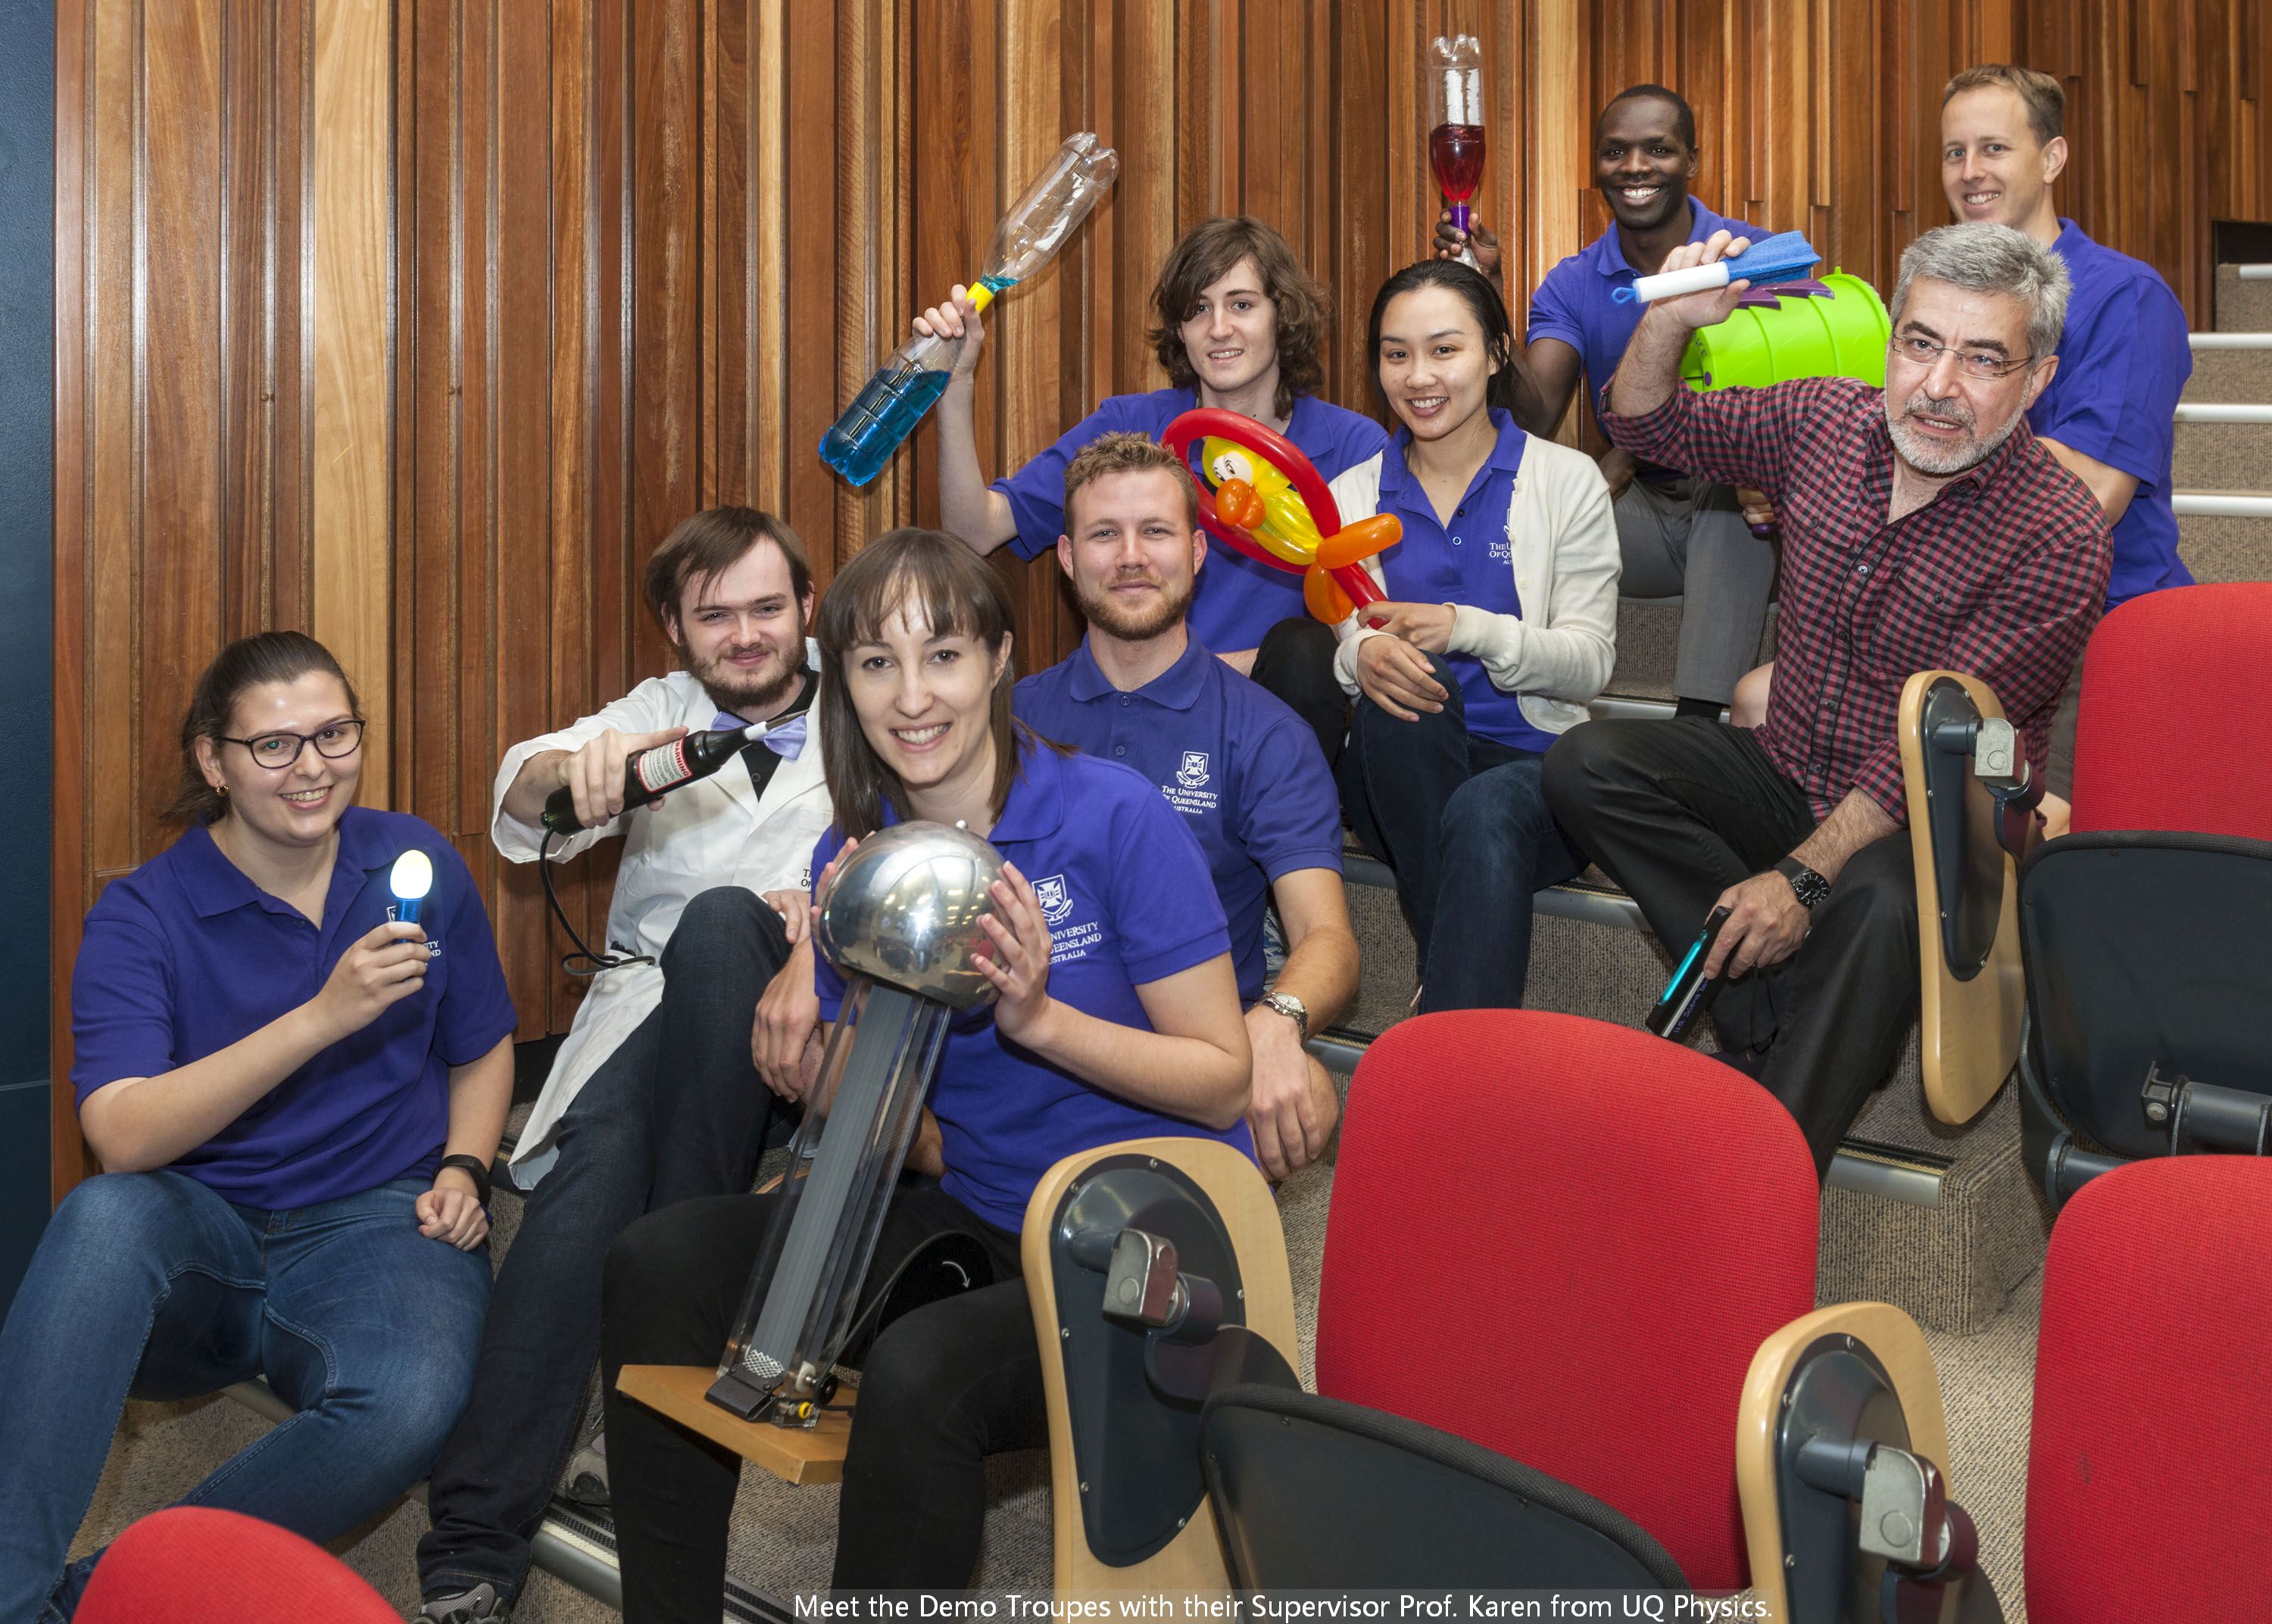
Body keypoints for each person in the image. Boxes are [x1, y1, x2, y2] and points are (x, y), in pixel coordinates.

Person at [600, 529, 1252, 1613]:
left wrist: (1039, 1020)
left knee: (919, 1371)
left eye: (943, 655)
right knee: (656, 1263)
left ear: (998, 660)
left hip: (1156, 1244)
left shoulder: (1113, 815)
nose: (912, 697)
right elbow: (892, 1127)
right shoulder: (859, 856)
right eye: (876, 663)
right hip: (986, 1217)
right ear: (844, 683)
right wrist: (834, 1015)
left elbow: (1223, 1080)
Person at [1543, 222, 2111, 1174]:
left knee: (1882, 899)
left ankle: (1764, 1169)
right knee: (1589, 763)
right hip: (1789, 771)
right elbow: (1644, 424)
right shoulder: (1823, 419)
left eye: (1983, 359)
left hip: (1934, 829)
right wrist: (1673, 322)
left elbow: (1933, 750)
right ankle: (1767, 1002)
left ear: (2037, 380)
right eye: (1920, 342)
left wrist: (1803, 880)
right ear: (1889, 341)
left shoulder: (2059, 535)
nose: (1938, 385)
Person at [0, 632, 516, 1622]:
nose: (311, 766)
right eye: (274, 745)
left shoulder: (414, 861)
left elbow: (483, 1043)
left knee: (409, 1399)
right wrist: (321, 1017)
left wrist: (465, 1166)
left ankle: (100, 1600)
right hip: (202, 1225)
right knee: (101, 1219)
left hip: (379, 1218)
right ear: (214, 760)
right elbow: (121, 1137)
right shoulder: (142, 913)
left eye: (334, 734)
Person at [417, 509, 835, 1623]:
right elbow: (524, 790)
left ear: (807, 605)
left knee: (726, 929)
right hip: (652, 1025)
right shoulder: (658, 712)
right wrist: (577, 770)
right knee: (594, 1179)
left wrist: (822, 914)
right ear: (676, 628)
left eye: (767, 607)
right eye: (715, 616)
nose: (745, 635)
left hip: (817, 1025)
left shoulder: (872, 691)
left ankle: (491, 1518)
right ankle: (473, 1550)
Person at [1010, 431, 1358, 1177]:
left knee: (1309, 1092)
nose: (1132, 556)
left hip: (1187, 1060)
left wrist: (1278, 1021)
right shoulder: (1012, 719)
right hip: (1032, 1042)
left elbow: (1326, 937)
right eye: (1104, 534)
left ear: (1198, 551)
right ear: (1067, 557)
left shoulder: (1265, 732)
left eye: (1157, 532)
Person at [916, 216, 1388, 762]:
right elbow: (976, 530)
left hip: (1270, 726)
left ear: (1282, 316)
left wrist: (1216, 673)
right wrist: (956, 386)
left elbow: (1375, 625)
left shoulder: (1354, 446)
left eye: (1241, 304)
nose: (1218, 328)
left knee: (1305, 653)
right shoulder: (1130, 426)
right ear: (1180, 330)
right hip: (1136, 711)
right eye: (1198, 309)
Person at [1329, 261, 1618, 1013]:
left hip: (1538, 777)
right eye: (1396, 354)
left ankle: (1447, 1014)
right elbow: (1343, 639)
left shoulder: (1567, 480)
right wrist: (1359, 652)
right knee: (1400, 683)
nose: (1418, 376)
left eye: (1444, 349)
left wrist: (1471, 629)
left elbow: (1590, 664)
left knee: (1484, 808)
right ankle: (1464, 1029)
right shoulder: (1351, 495)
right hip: (1402, 773)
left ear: (1495, 353)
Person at [1437, 84, 1774, 718]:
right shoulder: (1573, 282)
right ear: (1596, 166)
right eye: (1616, 152)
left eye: (1659, 149)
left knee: (1728, 482)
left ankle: (1697, 724)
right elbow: (1535, 415)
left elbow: (1797, 406)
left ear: (1693, 159)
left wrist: (1630, 450)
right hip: (1642, 517)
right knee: (1540, 499)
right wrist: (1486, 298)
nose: (1635, 167)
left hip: (1754, 521)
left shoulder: (1756, 258)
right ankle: (1500, 712)